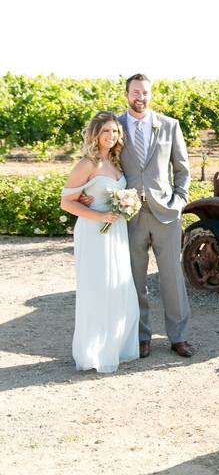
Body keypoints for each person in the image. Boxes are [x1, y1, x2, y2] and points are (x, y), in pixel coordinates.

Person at [118, 74, 193, 358]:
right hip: (129, 215)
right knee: (134, 280)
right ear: (127, 94)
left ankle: (179, 336)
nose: (141, 97)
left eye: (146, 92)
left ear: (151, 94)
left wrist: (179, 201)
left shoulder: (170, 125)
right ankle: (141, 337)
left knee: (172, 278)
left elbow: (182, 170)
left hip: (166, 214)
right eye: (136, 92)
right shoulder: (116, 126)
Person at [60, 112, 139, 373]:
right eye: (106, 131)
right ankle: (93, 354)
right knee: (97, 289)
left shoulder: (115, 162)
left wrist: (127, 206)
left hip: (116, 232)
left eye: (115, 131)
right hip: (95, 232)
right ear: (95, 134)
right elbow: (66, 202)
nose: (111, 136)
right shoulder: (87, 163)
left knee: (118, 287)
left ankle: (116, 347)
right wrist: (100, 215)